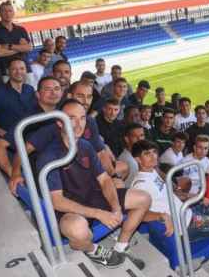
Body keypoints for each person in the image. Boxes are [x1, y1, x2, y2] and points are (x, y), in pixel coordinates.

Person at [34, 99, 150, 269]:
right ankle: (92, 248)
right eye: (71, 118)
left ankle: (120, 246)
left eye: (82, 118)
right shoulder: (49, 156)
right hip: (70, 209)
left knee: (143, 198)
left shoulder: (85, 146)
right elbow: (57, 201)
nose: (78, 124)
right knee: (78, 231)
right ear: (59, 122)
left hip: (94, 197)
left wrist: (116, 207)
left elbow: (104, 180)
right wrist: (99, 214)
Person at [131, 140, 209, 276]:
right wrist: (159, 216)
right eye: (147, 154)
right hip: (189, 224)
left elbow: (169, 195)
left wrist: (194, 196)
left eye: (154, 152)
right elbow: (138, 214)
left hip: (188, 211)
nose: (153, 156)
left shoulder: (152, 172)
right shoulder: (140, 185)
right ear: (137, 159)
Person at [0, 76, 62, 178]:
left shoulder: (64, 112)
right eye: (47, 89)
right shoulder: (29, 120)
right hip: (42, 173)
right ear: (37, 94)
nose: (53, 93)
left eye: (56, 89)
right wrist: (14, 174)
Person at [0, 1, 31, 76]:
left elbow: (28, 48)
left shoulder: (21, 29)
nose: (7, 13)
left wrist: (10, 46)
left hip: (26, 69)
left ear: (13, 13)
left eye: (10, 11)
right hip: (6, 72)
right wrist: (20, 48)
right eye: (4, 11)